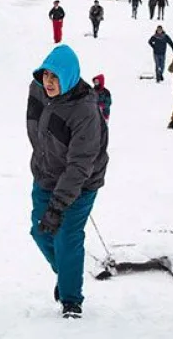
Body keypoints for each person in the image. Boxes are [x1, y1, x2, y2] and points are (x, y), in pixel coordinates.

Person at [27, 45, 109, 319]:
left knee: (67, 237)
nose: (49, 82)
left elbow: (80, 165)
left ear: (69, 76)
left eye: (55, 76)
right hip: (46, 174)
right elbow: (35, 127)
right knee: (40, 231)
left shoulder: (85, 111)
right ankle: (66, 274)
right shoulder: (37, 89)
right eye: (46, 75)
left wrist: (58, 206)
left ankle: (71, 299)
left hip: (81, 183)